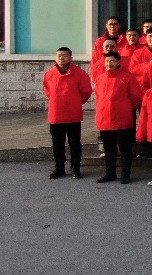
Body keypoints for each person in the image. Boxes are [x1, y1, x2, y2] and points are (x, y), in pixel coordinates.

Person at [43, 47, 93, 180]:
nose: (61, 58)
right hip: (56, 113)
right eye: (59, 55)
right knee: (57, 143)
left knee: (74, 143)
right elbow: (48, 91)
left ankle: (76, 168)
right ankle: (59, 167)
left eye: (65, 55)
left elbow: (86, 91)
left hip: (73, 114)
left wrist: (75, 102)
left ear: (71, 58)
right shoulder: (49, 74)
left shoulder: (80, 73)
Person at [93, 52, 143, 184]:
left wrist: (126, 107)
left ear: (118, 62)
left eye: (112, 61)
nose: (109, 64)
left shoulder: (127, 77)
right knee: (109, 149)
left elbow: (136, 96)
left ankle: (125, 173)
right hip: (105, 118)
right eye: (107, 61)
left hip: (122, 118)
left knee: (125, 149)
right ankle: (110, 173)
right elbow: (98, 97)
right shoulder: (100, 78)